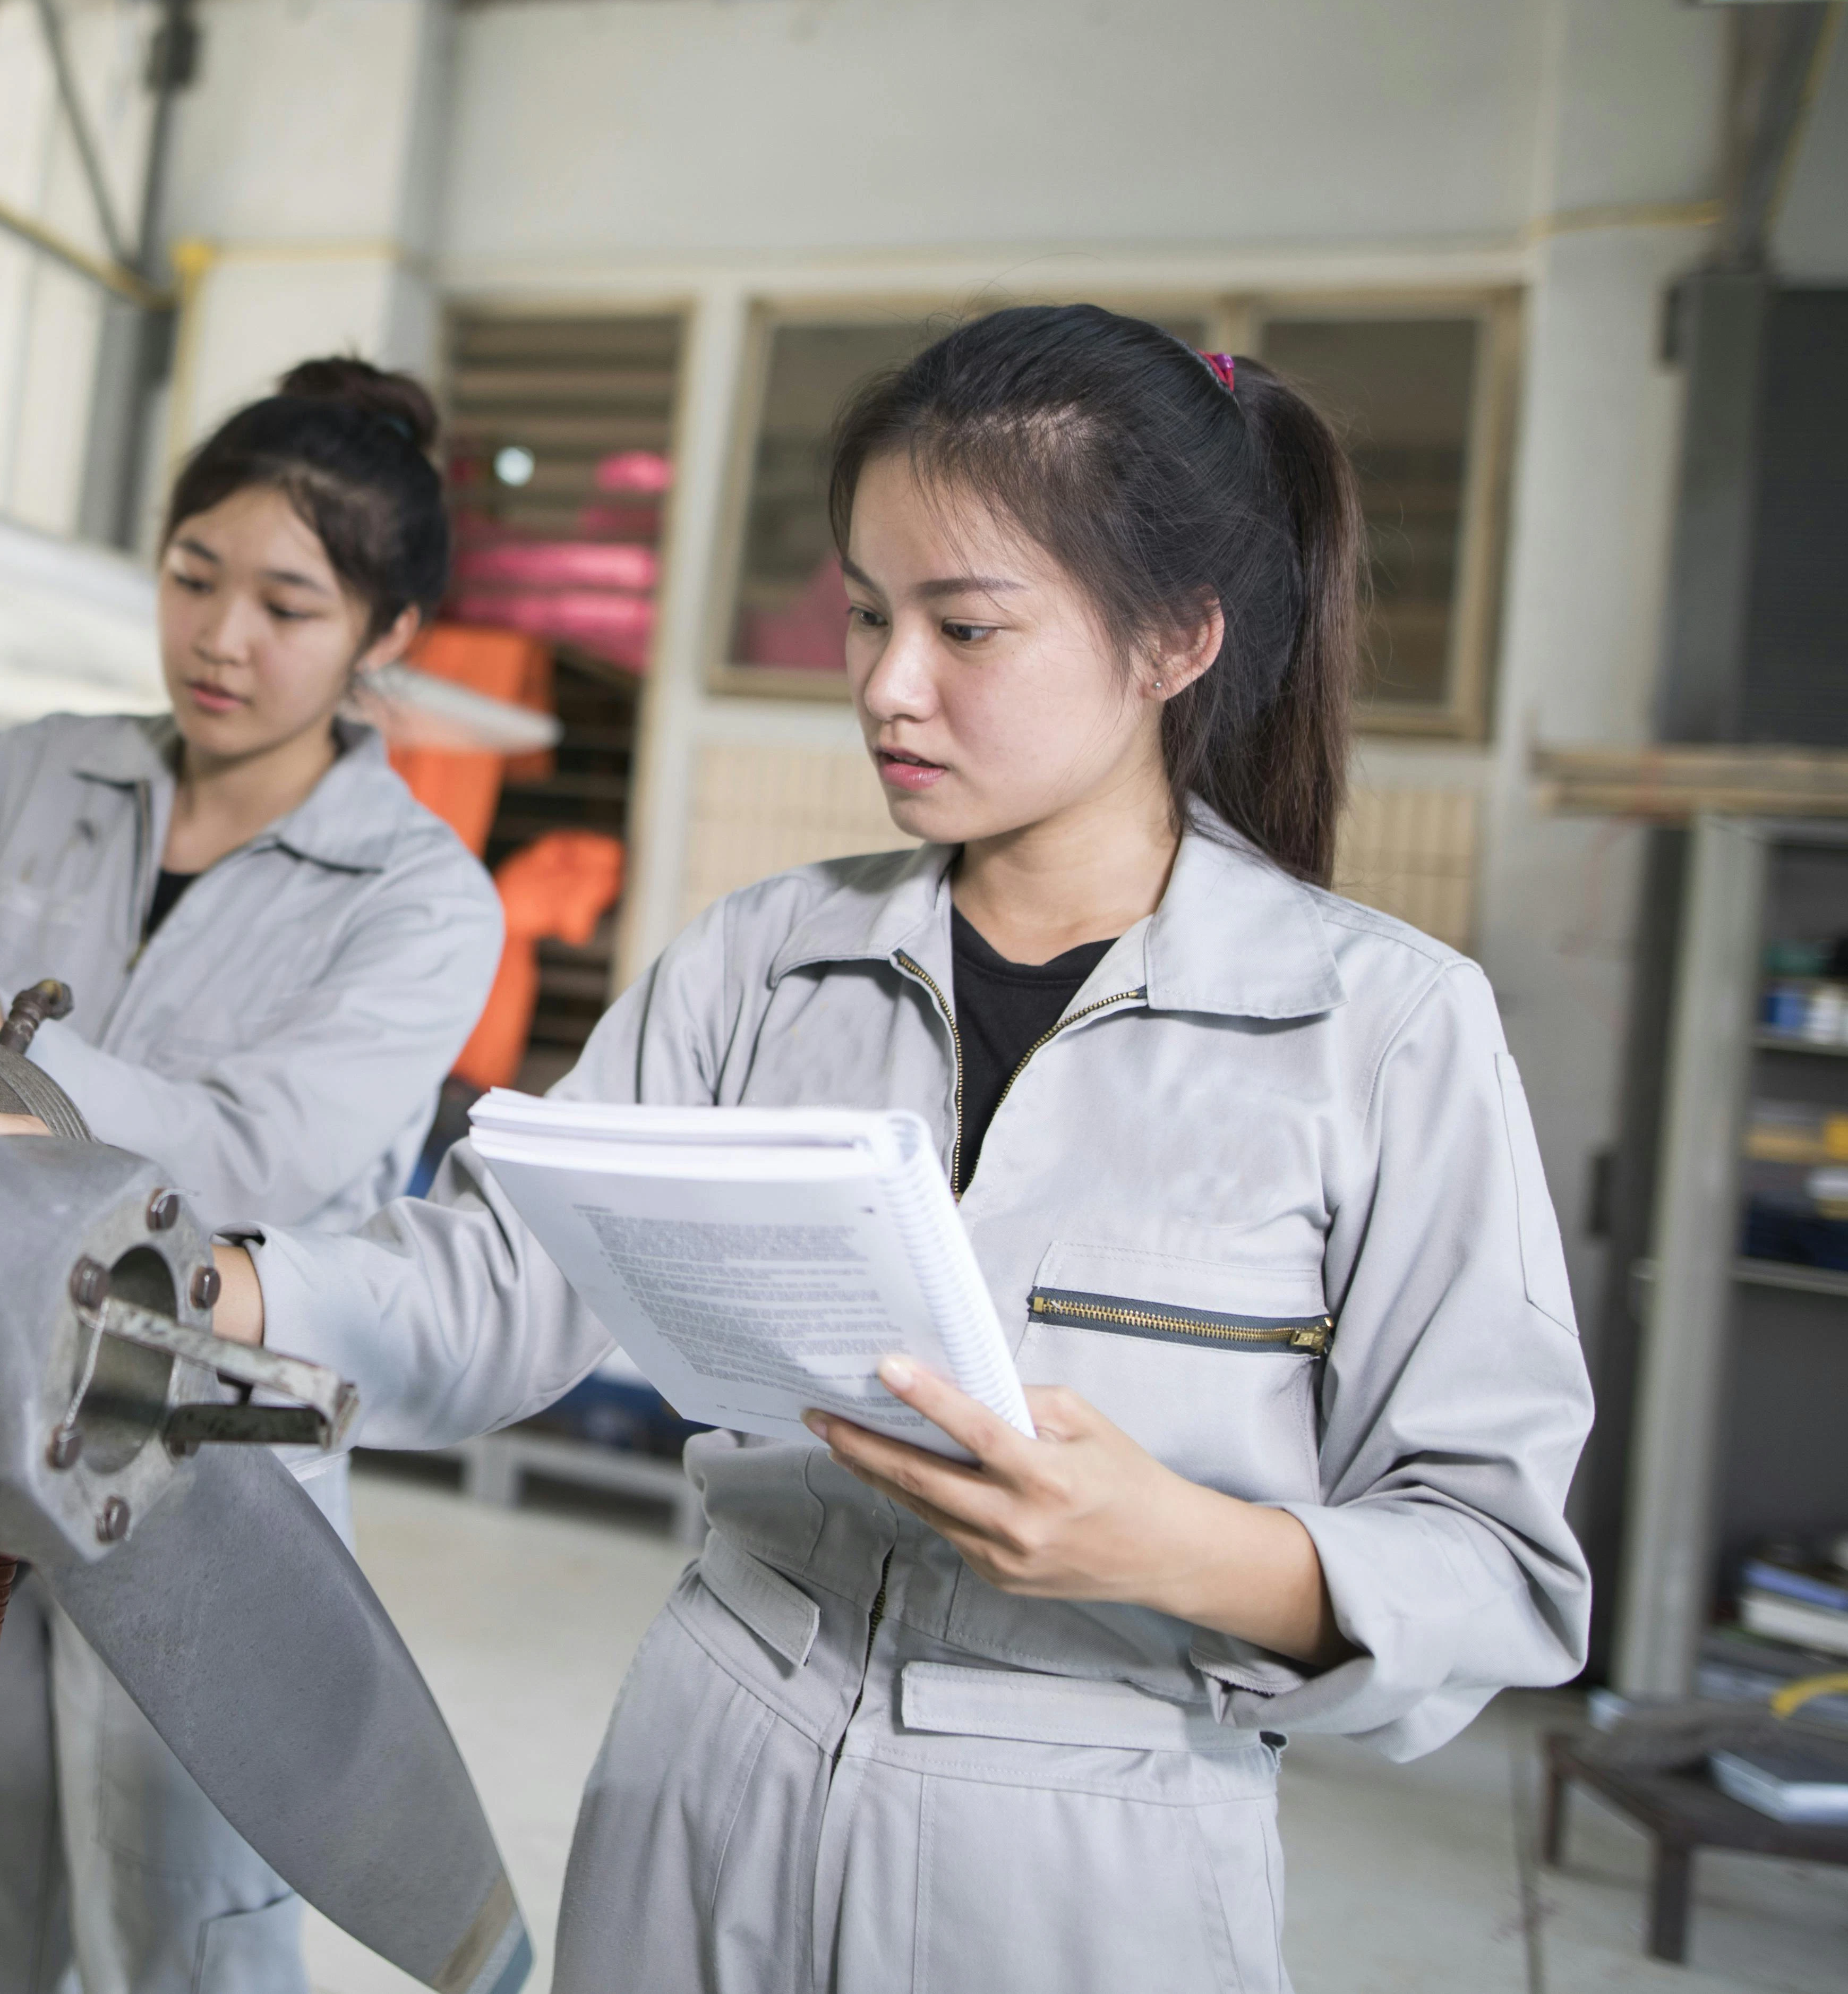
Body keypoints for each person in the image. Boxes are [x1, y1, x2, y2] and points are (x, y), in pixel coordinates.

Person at [201, 306, 1595, 1990]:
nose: (885, 684)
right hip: (704, 1774)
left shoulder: (1384, 1033)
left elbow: (1495, 1559)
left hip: (1092, 1840)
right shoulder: (758, 960)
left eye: (967, 627)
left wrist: (1170, 1542)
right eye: (867, 614)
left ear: (1174, 642)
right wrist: (232, 1283)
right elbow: (508, 1275)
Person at [0, 358, 507, 1992]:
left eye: (289, 605)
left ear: (386, 640)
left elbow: (257, 1161)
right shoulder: (49, 769)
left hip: (203, 1473)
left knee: (184, 1930)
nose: (222, 638)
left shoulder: (424, 899)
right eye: (192, 578)